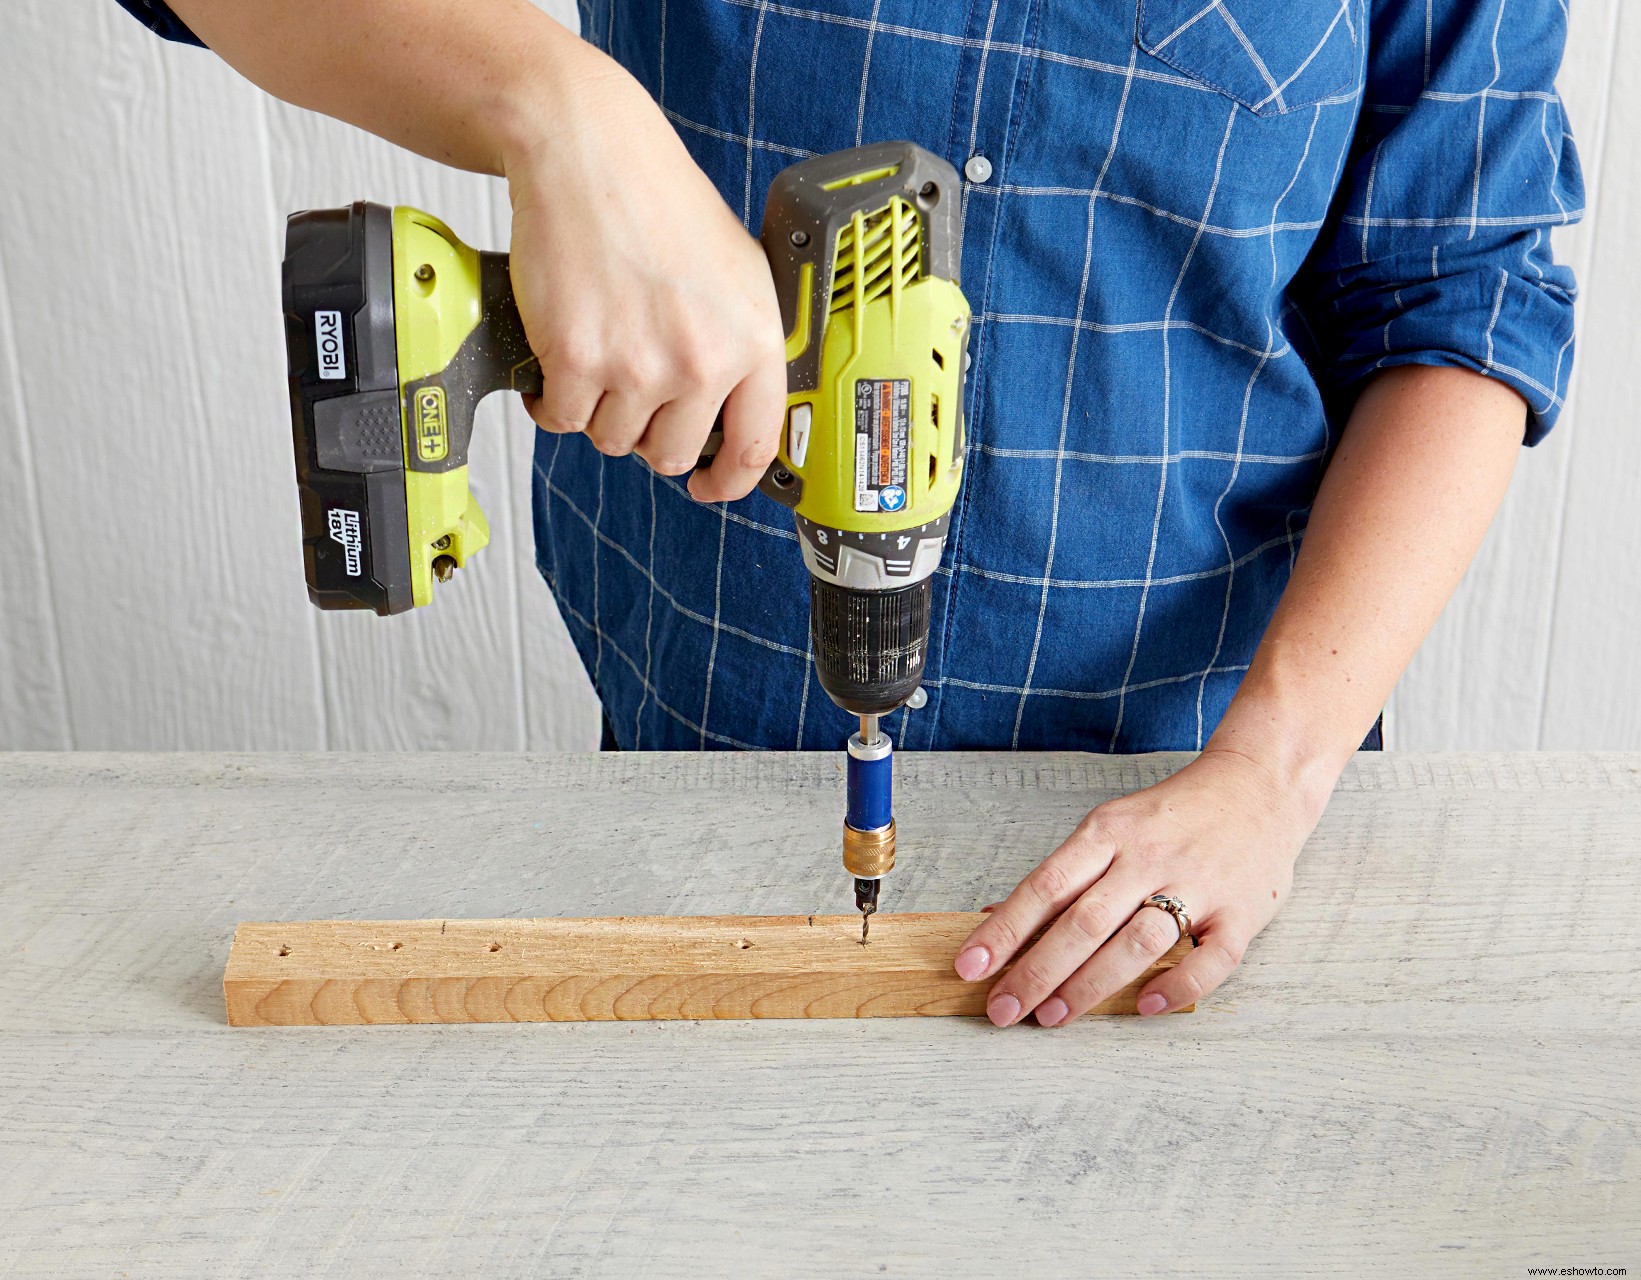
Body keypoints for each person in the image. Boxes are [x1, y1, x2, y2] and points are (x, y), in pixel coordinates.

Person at [119, 0, 1581, 1028]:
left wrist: (1270, 776)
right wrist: (557, 110)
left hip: (1210, 815)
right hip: (690, 776)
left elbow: (1464, 298)